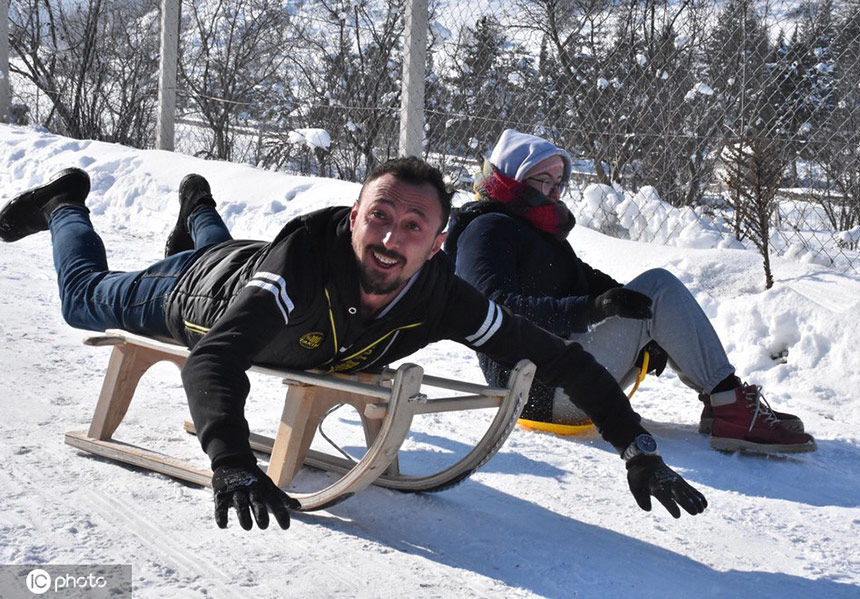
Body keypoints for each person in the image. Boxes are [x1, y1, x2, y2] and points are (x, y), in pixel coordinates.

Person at [0, 157, 707, 531]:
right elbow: (217, 356)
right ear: (355, 214)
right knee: (83, 297)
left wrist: (634, 444)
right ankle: (65, 202)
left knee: (233, 260)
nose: (390, 236)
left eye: (412, 225)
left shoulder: (444, 295)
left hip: (249, 263)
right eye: (380, 216)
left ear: (438, 244)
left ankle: (199, 211)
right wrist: (234, 462)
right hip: (198, 297)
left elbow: (556, 356)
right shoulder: (308, 260)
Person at [445, 129, 816, 454]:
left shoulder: (529, 228)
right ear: (516, 180)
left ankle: (724, 403)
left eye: (561, 183)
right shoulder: (488, 230)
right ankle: (730, 406)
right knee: (659, 287)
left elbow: (583, 279)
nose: (556, 193)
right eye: (546, 181)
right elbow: (492, 309)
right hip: (538, 391)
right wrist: (592, 310)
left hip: (561, 375)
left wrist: (630, 311)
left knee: (651, 294)